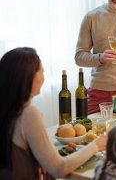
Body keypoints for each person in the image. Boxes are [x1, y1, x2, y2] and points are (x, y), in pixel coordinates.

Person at [0, 47, 107, 179]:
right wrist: (95, 146)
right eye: (42, 72)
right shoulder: (29, 114)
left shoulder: (7, 110)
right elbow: (59, 168)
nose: (44, 77)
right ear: (28, 77)